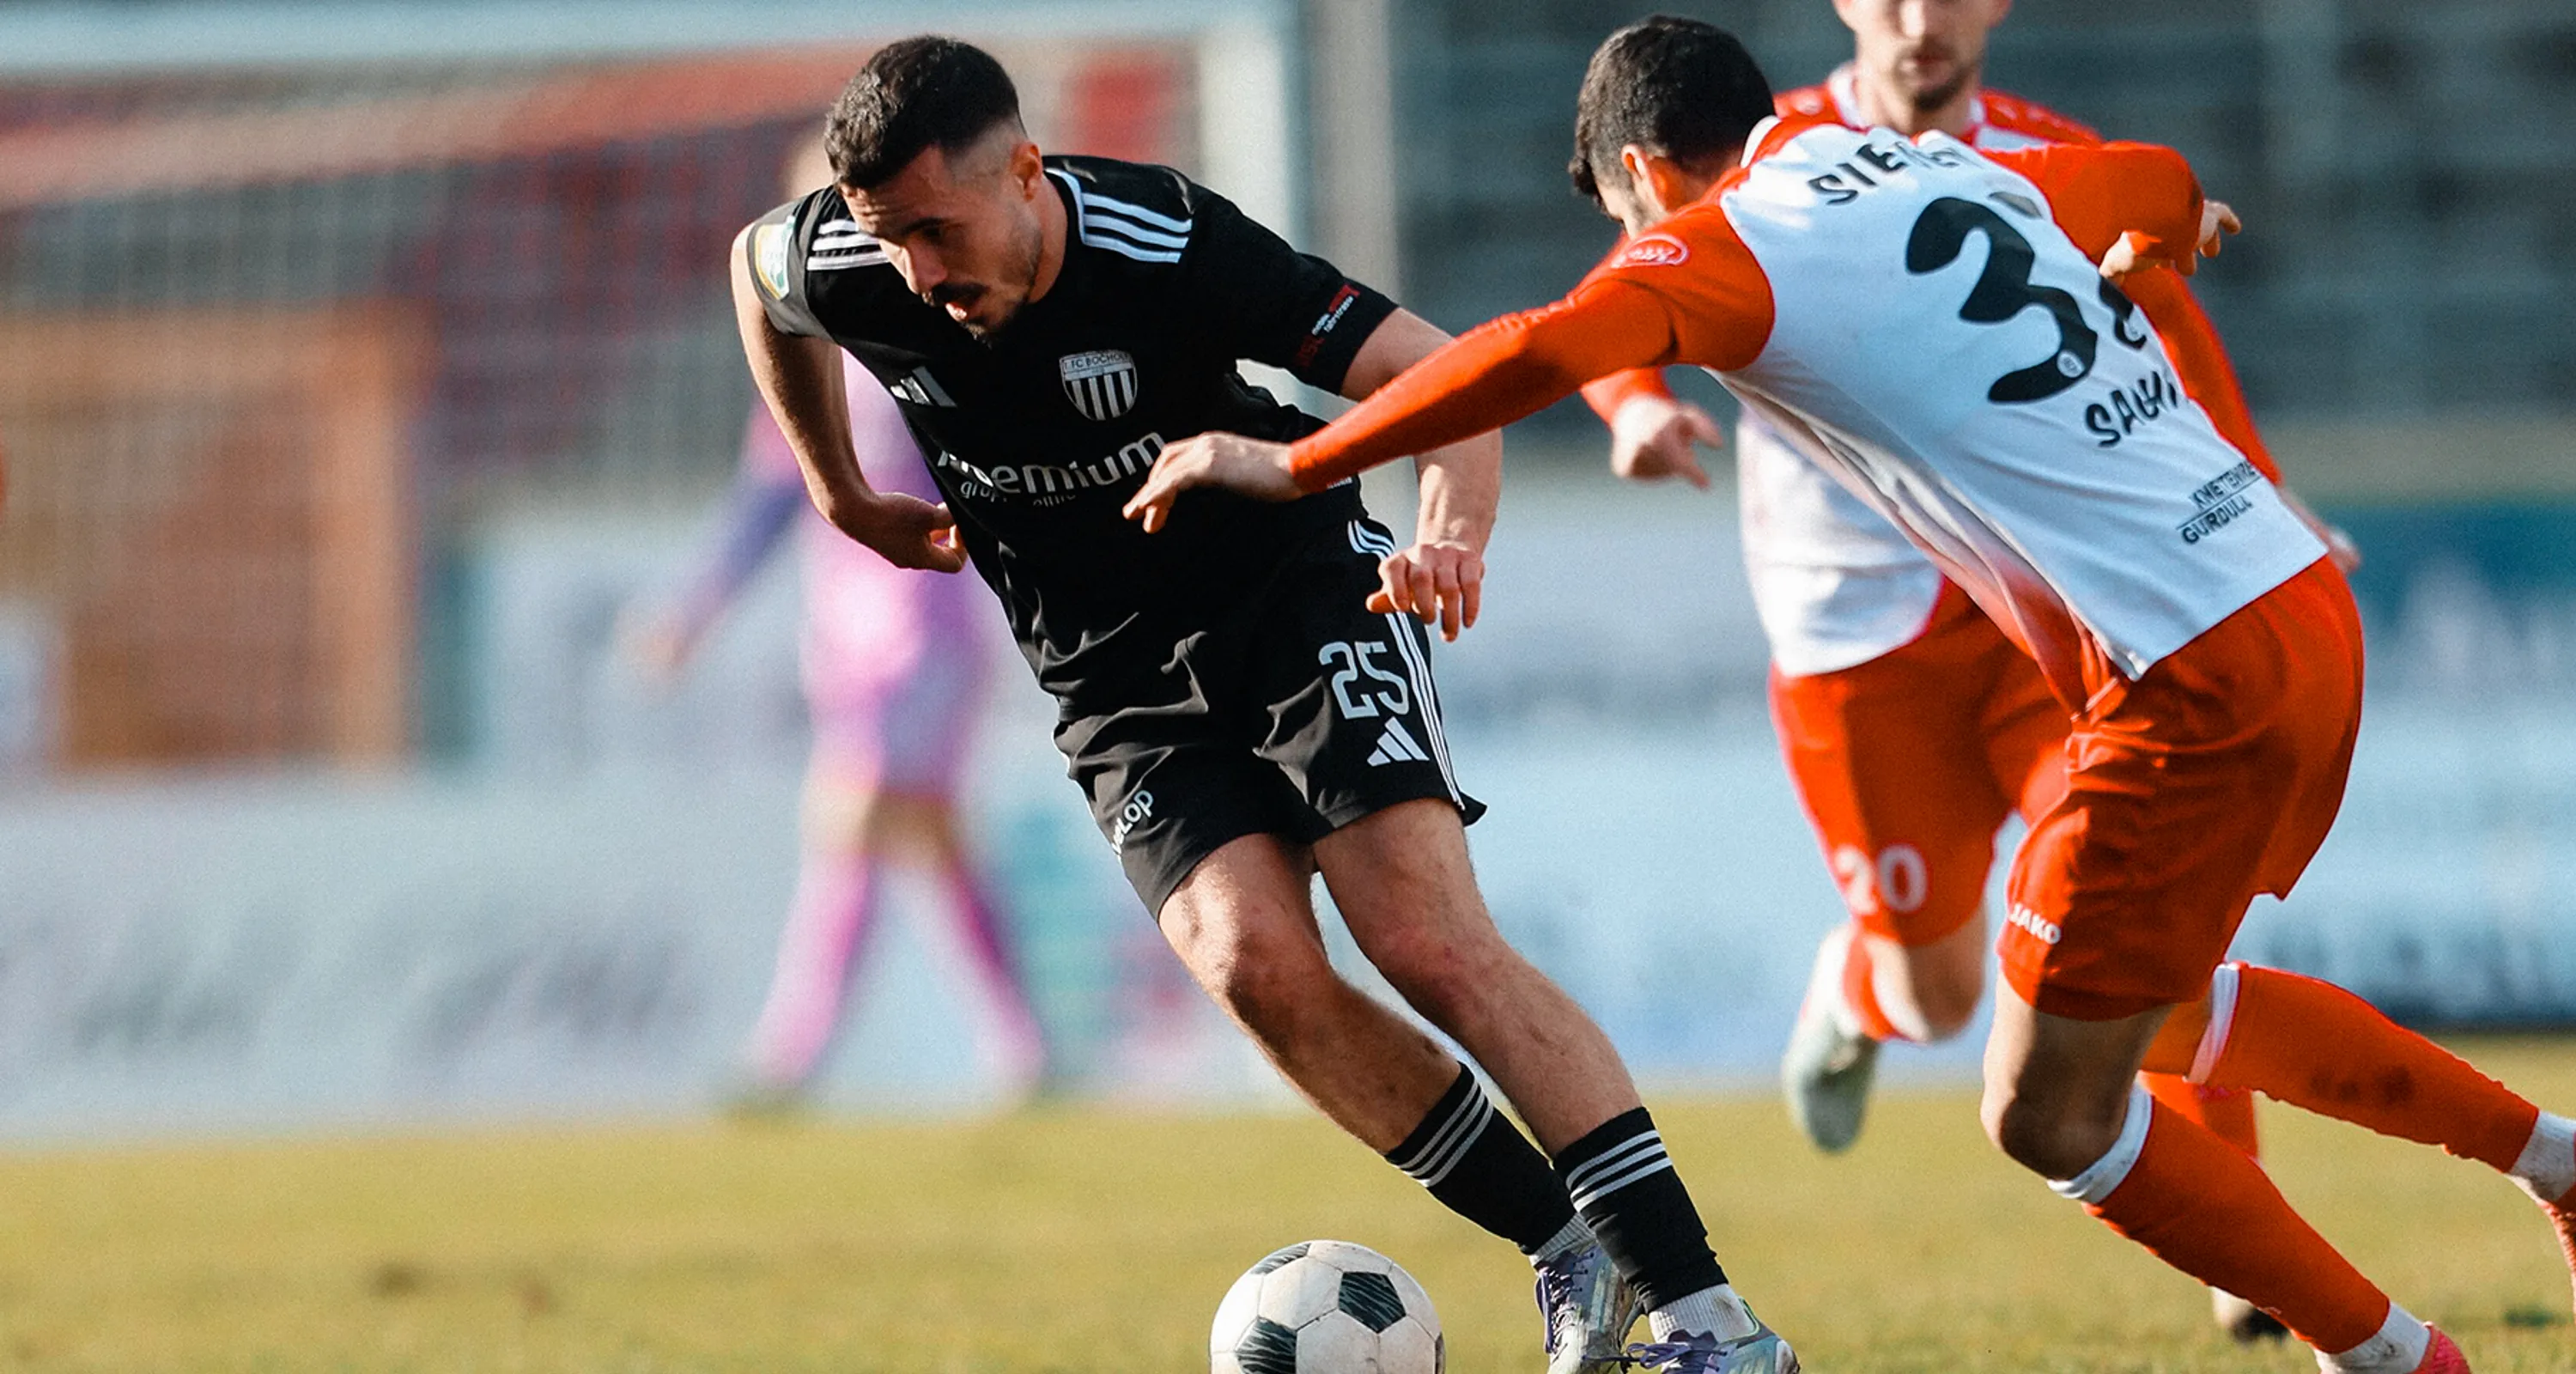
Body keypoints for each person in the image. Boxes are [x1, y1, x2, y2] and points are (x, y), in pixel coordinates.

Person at [1126, 18, 2576, 1373]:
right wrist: (2177, 219)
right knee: (2155, 1009)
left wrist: (1296, 462)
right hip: (2289, 604)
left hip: (2185, 675)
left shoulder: (1737, 241)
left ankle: (2405, 1358)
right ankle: (2556, 1162)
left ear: (1644, 174)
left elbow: (1537, 346)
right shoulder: (1934, 164)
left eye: (1629, 217)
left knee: (2048, 1112)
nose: (1639, 248)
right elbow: (2144, 175)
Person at [730, 37, 1795, 1374]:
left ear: (1026, 171)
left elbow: (1449, 374)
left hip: (1289, 594)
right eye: (890, 240)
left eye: (939, 231)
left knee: (1423, 940)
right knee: (1254, 968)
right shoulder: (848, 252)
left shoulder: (1169, 243)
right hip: (1106, 672)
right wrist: (837, 489)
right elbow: (758, 278)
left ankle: (1710, 1323)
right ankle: (1568, 1246)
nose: (916, 272)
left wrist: (1451, 530)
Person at [1573, 0, 2336, 1341]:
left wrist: (2252, 484)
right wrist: (1637, 407)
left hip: (2033, 612)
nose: (1920, 22)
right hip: (1855, 640)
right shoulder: (1761, 152)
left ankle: (2250, 1251)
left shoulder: (2043, 148)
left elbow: (2157, 316)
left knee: (2161, 902)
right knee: (1942, 996)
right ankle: (1858, 985)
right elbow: (1604, 304)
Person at [631, 305, 1042, 1109]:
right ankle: (1025, 1048)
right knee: (930, 840)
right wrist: (693, 609)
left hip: (927, 630)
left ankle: (791, 1055)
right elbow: (766, 501)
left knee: (850, 821)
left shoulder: (936, 340)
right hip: (847, 640)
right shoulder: (807, 361)